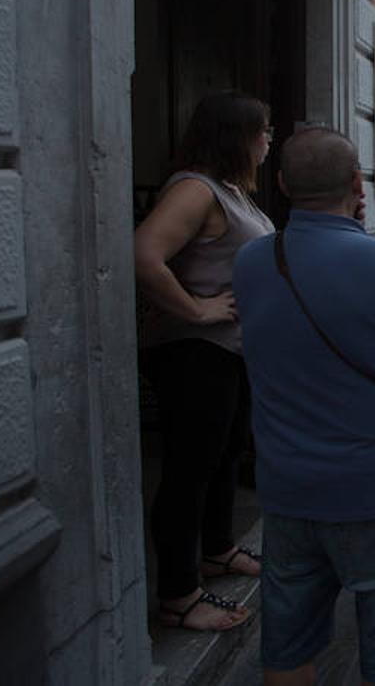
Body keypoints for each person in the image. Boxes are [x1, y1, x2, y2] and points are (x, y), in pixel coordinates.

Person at [234, 128, 375, 686]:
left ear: (283, 184)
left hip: (288, 492)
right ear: (358, 185)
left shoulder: (250, 262)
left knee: (287, 649)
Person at [134, 92, 275, 632]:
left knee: (223, 456)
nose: (269, 141)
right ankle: (177, 594)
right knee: (189, 471)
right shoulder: (196, 188)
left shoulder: (234, 191)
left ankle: (216, 550)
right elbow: (144, 253)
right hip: (195, 354)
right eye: (263, 131)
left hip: (231, 352)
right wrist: (197, 310)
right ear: (236, 135)